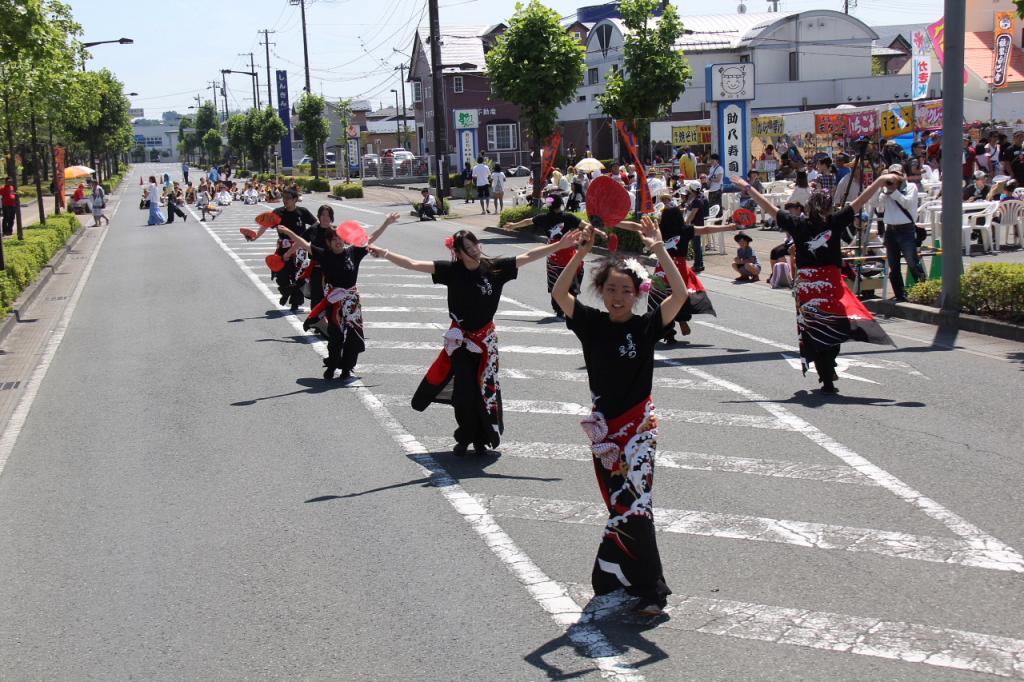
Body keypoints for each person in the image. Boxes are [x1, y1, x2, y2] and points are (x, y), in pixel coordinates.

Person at [551, 218, 688, 617]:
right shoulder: (591, 325)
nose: (617, 296)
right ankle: (614, 574)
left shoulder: (646, 326)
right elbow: (561, 292)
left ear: (637, 293)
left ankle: (651, 591)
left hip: (639, 431)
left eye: (625, 290)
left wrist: (659, 249)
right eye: (610, 288)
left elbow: (680, 293)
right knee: (619, 505)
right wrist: (580, 251)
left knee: (637, 505)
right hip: (605, 432)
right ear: (601, 291)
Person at [367, 228, 582, 455]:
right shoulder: (451, 271)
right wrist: (385, 253)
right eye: (467, 249)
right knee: (464, 391)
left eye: (475, 245)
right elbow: (413, 263)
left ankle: (483, 437)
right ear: (458, 253)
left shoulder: (494, 268)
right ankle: (465, 435)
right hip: (460, 342)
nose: (474, 251)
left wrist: (560, 245)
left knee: (485, 389)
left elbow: (528, 256)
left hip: (486, 342)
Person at [731, 172, 895, 394]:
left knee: (813, 328)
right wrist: (880, 180)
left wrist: (747, 187)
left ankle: (825, 374)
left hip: (807, 286)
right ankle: (828, 370)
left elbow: (768, 207)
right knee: (835, 325)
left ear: (807, 207)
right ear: (829, 207)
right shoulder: (835, 221)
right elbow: (861, 200)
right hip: (831, 284)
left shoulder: (797, 224)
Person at [275, 211, 399, 380]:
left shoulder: (353, 252)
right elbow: (304, 244)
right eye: (334, 240)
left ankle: (347, 368)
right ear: (329, 242)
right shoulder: (324, 255)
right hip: (334, 302)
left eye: (340, 239)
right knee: (336, 336)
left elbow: (370, 238)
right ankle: (332, 366)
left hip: (352, 303)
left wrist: (387, 222)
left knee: (353, 336)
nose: (338, 242)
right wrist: (288, 232)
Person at [618, 204, 738, 343]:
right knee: (680, 295)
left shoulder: (659, 229)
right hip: (679, 269)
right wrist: (729, 227)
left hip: (663, 266)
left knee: (659, 298)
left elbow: (634, 226)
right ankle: (682, 318)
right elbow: (706, 229)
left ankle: (669, 333)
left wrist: (615, 222)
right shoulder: (685, 230)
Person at [504, 195, 583, 318]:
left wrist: (513, 225)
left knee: (554, 280)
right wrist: (597, 231)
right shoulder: (568, 217)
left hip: (552, 252)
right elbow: (585, 225)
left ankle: (558, 309)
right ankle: (570, 306)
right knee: (572, 277)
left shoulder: (544, 218)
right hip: (568, 252)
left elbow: (528, 221)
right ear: (561, 203)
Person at [252, 187, 318, 311]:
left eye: (288, 198)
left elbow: (315, 225)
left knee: (297, 275)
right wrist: (255, 236)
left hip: (299, 250)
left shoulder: (302, 212)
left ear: (295, 199)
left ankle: (295, 303)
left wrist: (316, 237)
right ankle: (286, 291)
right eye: (283, 198)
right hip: (283, 248)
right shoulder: (278, 212)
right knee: (281, 274)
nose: (285, 200)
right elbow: (265, 225)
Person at [876, 164, 923, 301]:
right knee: (893, 265)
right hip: (890, 229)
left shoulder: (911, 187)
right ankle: (900, 295)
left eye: (897, 175)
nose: (894, 178)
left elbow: (907, 203)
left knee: (912, 262)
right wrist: (881, 189)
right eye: (891, 175)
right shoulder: (886, 190)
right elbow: (878, 208)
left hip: (906, 229)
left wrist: (894, 191)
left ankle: (924, 290)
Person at [681, 181, 709, 272]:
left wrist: (686, 224)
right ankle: (698, 264)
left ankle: (698, 265)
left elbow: (693, 214)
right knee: (696, 245)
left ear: (692, 190)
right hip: (699, 223)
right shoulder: (701, 197)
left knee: (696, 245)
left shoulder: (697, 200)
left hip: (695, 224)